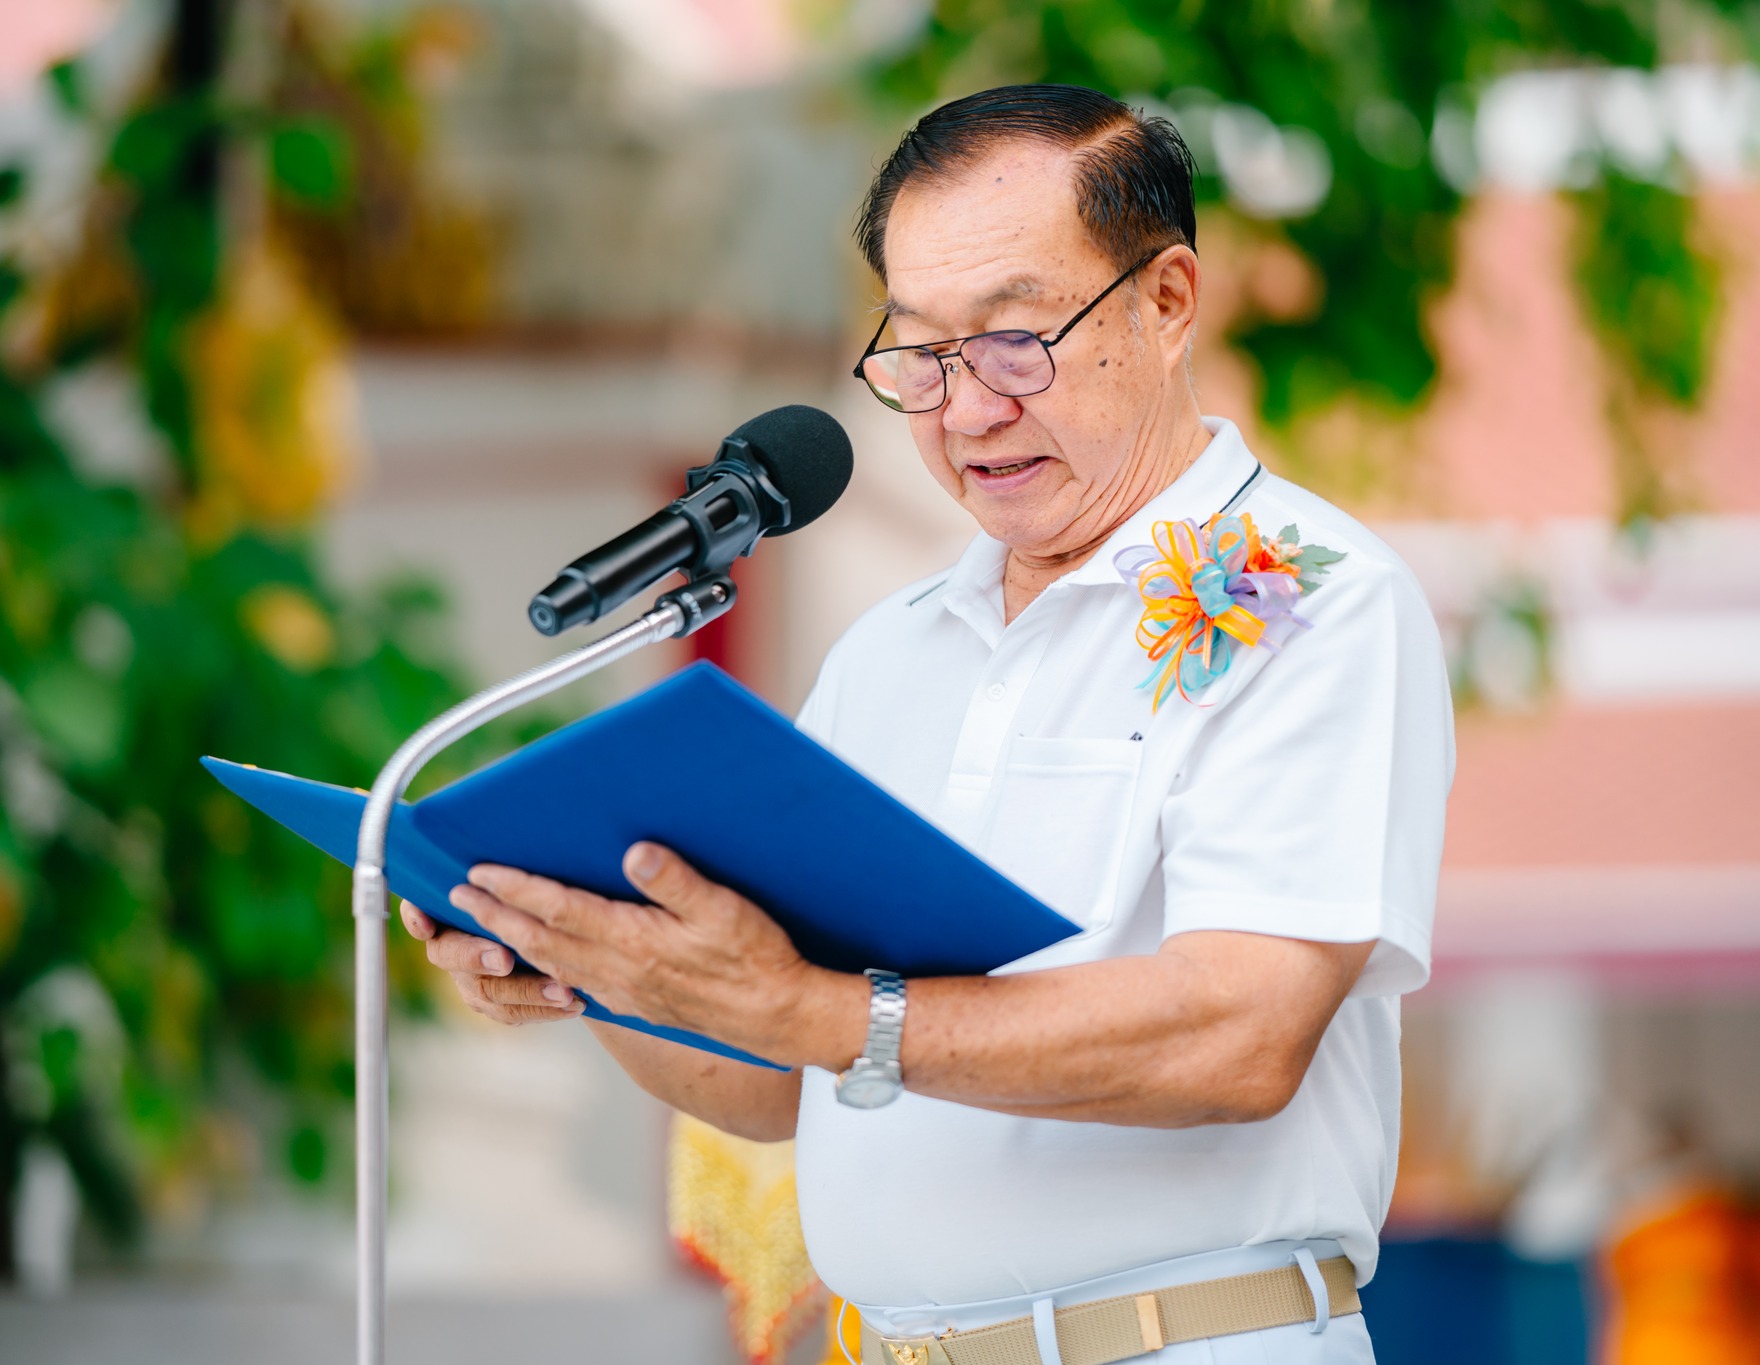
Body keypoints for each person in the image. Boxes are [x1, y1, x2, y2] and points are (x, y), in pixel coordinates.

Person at [400, 84, 1451, 1365]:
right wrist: (595, 969)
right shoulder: (889, 651)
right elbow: (768, 1083)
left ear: (1167, 301)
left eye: (1015, 340)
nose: (962, 411)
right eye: (919, 354)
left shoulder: (1308, 597)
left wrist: (825, 1017)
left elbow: (1240, 1033)